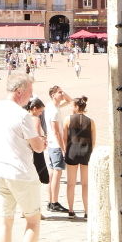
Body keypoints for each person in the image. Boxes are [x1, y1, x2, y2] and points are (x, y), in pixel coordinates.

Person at [0, 74, 47, 242]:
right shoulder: (22, 116)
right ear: (20, 92)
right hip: (21, 174)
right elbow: (38, 147)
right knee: (32, 221)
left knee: (5, 222)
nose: (31, 97)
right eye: (30, 92)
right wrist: (41, 139)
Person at [64, 95, 95, 218]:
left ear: (76, 107)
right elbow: (93, 141)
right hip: (86, 152)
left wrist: (65, 151)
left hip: (72, 152)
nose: (70, 107)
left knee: (71, 183)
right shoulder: (90, 121)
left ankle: (71, 210)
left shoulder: (68, 119)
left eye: (72, 105)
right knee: (85, 184)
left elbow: (64, 138)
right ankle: (87, 211)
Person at [44, 84, 71, 214]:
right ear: (53, 95)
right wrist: (63, 148)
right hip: (55, 145)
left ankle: (51, 201)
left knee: (53, 173)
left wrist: (63, 93)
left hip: (51, 145)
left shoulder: (52, 107)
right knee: (57, 173)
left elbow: (70, 101)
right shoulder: (54, 110)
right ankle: (54, 202)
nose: (62, 94)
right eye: (59, 92)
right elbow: (57, 132)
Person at [25, 97, 50, 188]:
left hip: (27, 146)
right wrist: (44, 140)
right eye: (40, 111)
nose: (41, 113)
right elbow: (37, 134)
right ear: (34, 109)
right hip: (36, 146)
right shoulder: (35, 119)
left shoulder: (25, 117)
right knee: (40, 166)